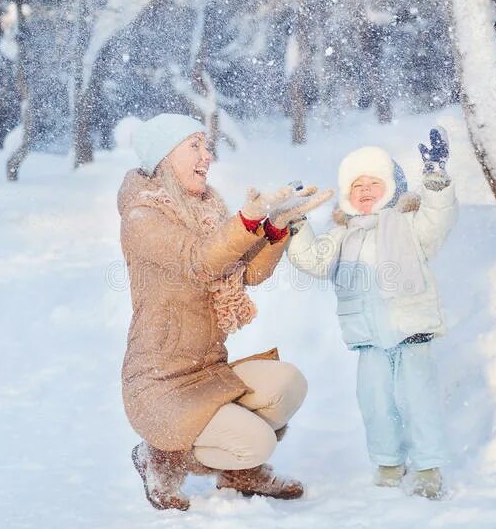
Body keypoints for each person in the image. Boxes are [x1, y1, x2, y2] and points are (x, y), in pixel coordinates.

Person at [116, 113, 333, 510]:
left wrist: (276, 227)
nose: (207, 155)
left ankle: (238, 471)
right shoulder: (141, 217)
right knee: (256, 441)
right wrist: (246, 219)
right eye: (194, 146)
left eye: (206, 145)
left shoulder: (206, 210)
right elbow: (201, 261)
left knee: (289, 384)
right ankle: (161, 456)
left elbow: (247, 271)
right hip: (160, 385)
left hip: (208, 369)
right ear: (164, 156)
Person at [286, 129, 458, 499]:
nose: (364, 190)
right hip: (368, 338)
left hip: (412, 332)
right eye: (357, 184)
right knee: (376, 403)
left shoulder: (410, 226)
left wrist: (436, 178)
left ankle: (428, 467)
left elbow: (439, 218)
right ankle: (388, 461)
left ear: (392, 188)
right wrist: (296, 222)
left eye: (374, 183)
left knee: (418, 401)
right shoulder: (341, 234)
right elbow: (310, 260)